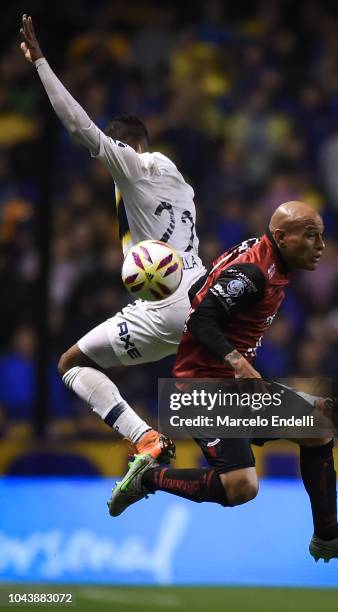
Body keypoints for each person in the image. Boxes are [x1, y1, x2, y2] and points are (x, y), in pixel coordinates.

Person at [109, 200, 338, 566]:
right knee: (241, 487)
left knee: (317, 428)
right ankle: (149, 478)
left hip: (234, 389)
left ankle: (327, 537)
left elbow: (199, 295)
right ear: (283, 237)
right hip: (202, 391)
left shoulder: (265, 257)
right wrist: (235, 359)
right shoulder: (254, 274)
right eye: (311, 236)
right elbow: (201, 320)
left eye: (322, 236)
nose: (320, 246)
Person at [19, 15, 206, 460]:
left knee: (71, 364)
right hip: (203, 297)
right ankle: (308, 423)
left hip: (165, 305)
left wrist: (42, 63)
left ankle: (144, 437)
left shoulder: (134, 166)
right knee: (222, 397)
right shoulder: (180, 182)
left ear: (127, 145)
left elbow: (80, 127)